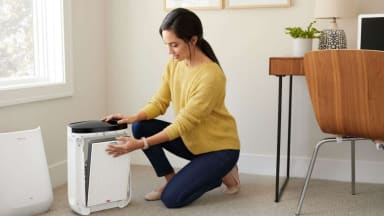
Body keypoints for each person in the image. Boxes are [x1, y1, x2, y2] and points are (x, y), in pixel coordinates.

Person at [102, 7, 240, 208]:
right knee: (141, 126)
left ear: (193, 40)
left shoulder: (211, 76)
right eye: (167, 45)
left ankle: (222, 172)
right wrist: (132, 118)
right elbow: (160, 101)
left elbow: (183, 123)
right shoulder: (175, 63)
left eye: (174, 45)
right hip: (192, 142)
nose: (170, 52)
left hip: (219, 149)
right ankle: (170, 180)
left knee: (172, 199)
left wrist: (140, 144)